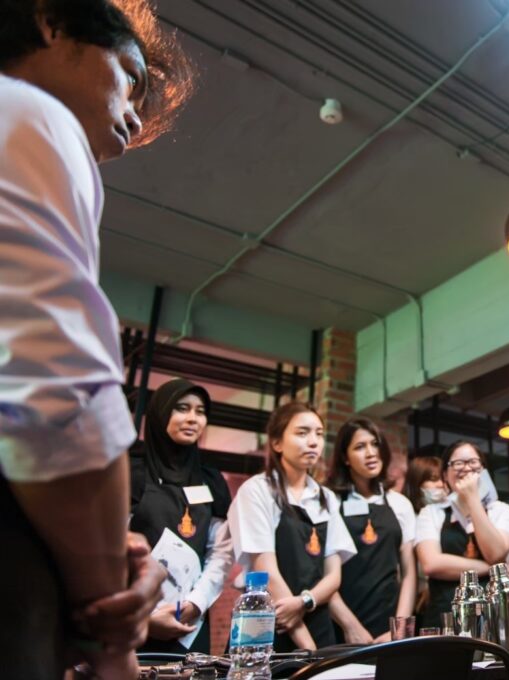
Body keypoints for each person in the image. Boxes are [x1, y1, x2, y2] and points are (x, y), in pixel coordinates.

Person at [0, 1, 191, 677]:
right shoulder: (30, 110)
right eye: (129, 77)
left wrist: (103, 544)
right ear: (51, 21)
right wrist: (110, 618)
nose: (135, 119)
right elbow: (54, 400)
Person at [228, 402, 356, 650]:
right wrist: (309, 650)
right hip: (270, 624)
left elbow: (333, 576)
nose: (313, 442)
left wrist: (305, 601)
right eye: (302, 433)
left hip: (317, 622)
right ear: (277, 443)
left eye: (319, 434)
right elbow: (266, 572)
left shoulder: (326, 497)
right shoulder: (257, 491)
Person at [128, 378, 233, 654]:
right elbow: (109, 551)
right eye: (182, 408)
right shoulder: (131, 473)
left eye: (200, 412)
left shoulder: (211, 480)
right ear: (161, 413)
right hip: (133, 620)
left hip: (190, 624)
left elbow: (220, 553)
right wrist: (144, 619)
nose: (192, 419)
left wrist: (196, 603)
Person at [325, 418, 417, 643]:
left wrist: (400, 628)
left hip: (389, 627)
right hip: (340, 624)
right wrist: (350, 626)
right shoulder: (330, 501)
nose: (371, 453)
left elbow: (408, 573)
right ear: (345, 457)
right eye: (359, 447)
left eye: (375, 444)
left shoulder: (400, 503)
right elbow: (321, 573)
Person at [415, 441, 509, 628]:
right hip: (444, 616)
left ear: (483, 469)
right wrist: (493, 569)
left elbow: (496, 554)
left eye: (473, 462)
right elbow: (431, 563)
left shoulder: (501, 510)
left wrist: (472, 499)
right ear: (445, 474)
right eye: (458, 463)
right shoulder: (431, 513)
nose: (466, 468)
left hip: (494, 616)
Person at [406, 455, 446, 614]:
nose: (440, 484)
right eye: (433, 479)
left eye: (442, 479)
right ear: (417, 483)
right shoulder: (408, 517)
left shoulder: (449, 517)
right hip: (414, 600)